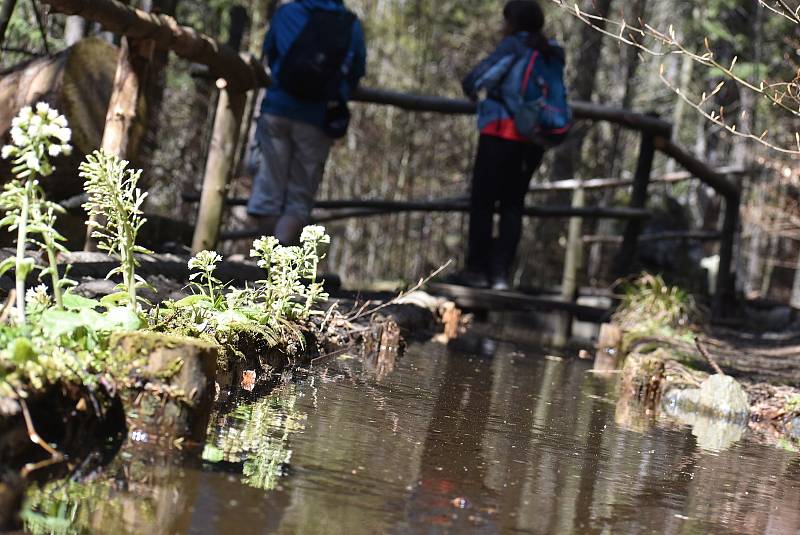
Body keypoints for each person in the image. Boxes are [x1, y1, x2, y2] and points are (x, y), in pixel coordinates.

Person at [458, 0, 564, 290]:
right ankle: (501, 275)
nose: (501, 27)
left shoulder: (513, 46)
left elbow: (476, 78)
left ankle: (477, 271)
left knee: (483, 203)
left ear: (514, 22)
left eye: (505, 20)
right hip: (534, 140)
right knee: (513, 206)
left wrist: (472, 91)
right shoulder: (551, 51)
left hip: (501, 133)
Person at [247, 0, 367, 245]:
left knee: (269, 190)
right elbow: (357, 70)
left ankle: (264, 265)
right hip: (317, 118)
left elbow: (269, 52)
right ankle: (280, 269)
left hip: (277, 110)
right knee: (299, 199)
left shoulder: (288, 12)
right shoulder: (349, 24)